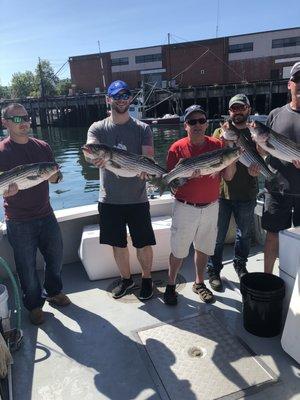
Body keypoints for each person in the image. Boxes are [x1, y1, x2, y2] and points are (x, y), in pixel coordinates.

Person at [0, 103, 71, 326]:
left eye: (26, 118)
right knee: (26, 267)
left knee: (56, 257)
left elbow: (57, 176)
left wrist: (53, 177)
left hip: (46, 214)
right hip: (18, 220)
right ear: (5, 123)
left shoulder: (43, 146)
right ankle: (34, 305)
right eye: (17, 119)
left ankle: (54, 291)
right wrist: (6, 191)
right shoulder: (2, 151)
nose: (24, 123)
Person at [86, 80, 156, 300]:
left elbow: (148, 158)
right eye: (116, 96)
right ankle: (127, 280)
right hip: (109, 200)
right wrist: (93, 159)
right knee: (118, 244)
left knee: (143, 243)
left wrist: (149, 169)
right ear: (108, 99)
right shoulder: (97, 128)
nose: (121, 100)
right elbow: (89, 152)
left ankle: (146, 279)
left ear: (130, 99)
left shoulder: (143, 128)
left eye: (125, 96)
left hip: (138, 198)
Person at [163, 105, 236, 305]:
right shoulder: (176, 148)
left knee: (203, 248)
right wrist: (184, 178)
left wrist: (231, 156)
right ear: (185, 125)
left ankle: (199, 282)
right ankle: (171, 284)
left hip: (212, 206)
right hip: (185, 207)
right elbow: (172, 185)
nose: (197, 125)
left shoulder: (217, 145)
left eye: (201, 121)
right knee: (178, 250)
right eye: (192, 121)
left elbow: (228, 176)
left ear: (206, 124)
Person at [207, 94, 261, 291]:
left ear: (248, 109)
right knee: (218, 235)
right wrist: (224, 142)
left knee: (244, 234)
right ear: (229, 112)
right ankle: (214, 269)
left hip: (247, 192)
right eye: (233, 109)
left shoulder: (254, 131)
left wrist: (258, 167)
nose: (237, 112)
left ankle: (240, 264)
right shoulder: (220, 131)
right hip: (222, 193)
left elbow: (262, 154)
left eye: (241, 108)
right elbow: (213, 156)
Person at [262, 62, 300, 274]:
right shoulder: (275, 114)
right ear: (289, 84)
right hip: (277, 188)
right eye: (297, 80)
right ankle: (268, 278)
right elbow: (265, 151)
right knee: (272, 234)